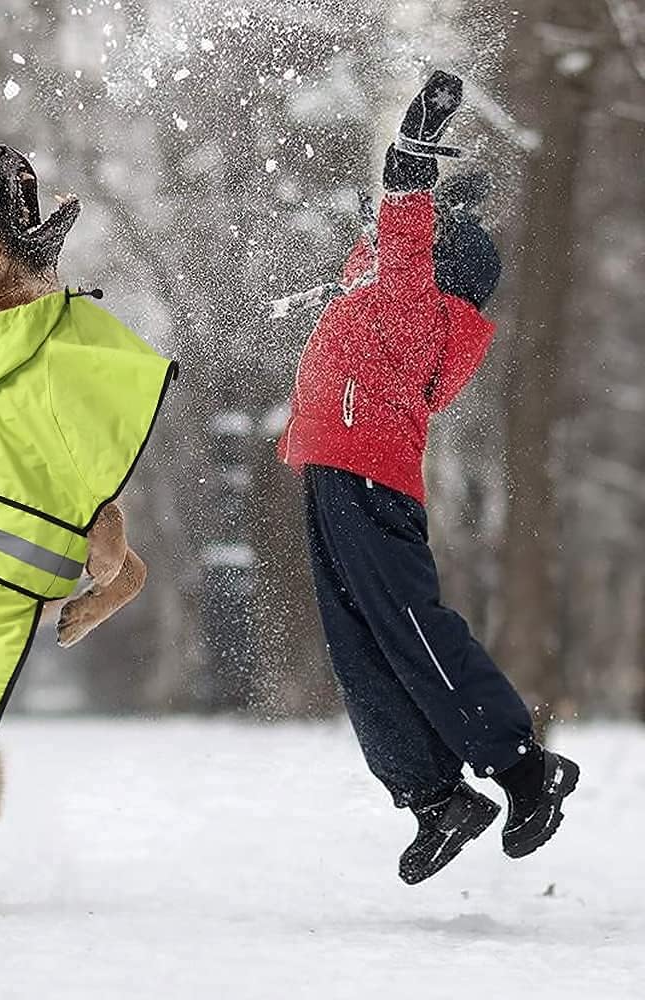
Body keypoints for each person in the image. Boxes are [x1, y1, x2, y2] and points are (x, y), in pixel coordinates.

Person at [277, 71, 579, 884]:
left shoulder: (413, 308)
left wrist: (416, 150)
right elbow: (378, 247)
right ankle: (435, 797)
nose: (383, 255)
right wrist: (458, 203)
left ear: (433, 270)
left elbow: (398, 226)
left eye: (414, 250)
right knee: (361, 647)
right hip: (333, 472)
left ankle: (522, 769)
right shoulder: (398, 295)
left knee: (408, 628)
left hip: (364, 475)